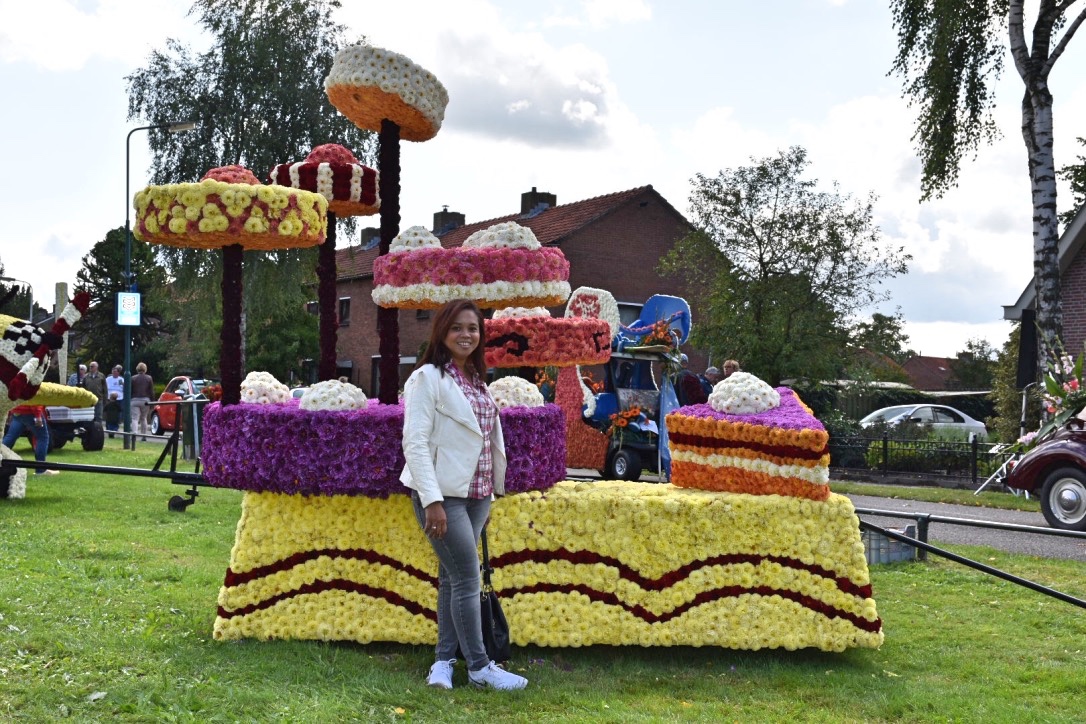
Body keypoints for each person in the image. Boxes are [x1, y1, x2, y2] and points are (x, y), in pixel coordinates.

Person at [400, 299, 527, 692]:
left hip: (477, 495)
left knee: (453, 578)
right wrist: (432, 500)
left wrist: (490, 490)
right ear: (442, 332)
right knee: (468, 579)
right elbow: (415, 442)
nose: (466, 334)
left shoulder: (475, 379)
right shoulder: (427, 378)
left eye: (473, 328)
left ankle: (442, 662)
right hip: (442, 497)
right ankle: (479, 667)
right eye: (457, 327)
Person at [2, 405, 59, 475]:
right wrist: (38, 416)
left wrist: (10, 412)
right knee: (42, 437)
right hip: (30, 412)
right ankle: (41, 470)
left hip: (17, 412)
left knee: (10, 437)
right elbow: (34, 402)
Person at [130, 362, 155, 441]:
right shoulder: (149, 378)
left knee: (134, 418)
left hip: (134, 400)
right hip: (145, 400)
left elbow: (130, 390)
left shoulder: (133, 378)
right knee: (143, 418)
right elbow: (151, 391)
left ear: (137, 369)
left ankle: (134, 434)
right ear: (145, 369)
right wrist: (152, 402)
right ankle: (144, 436)